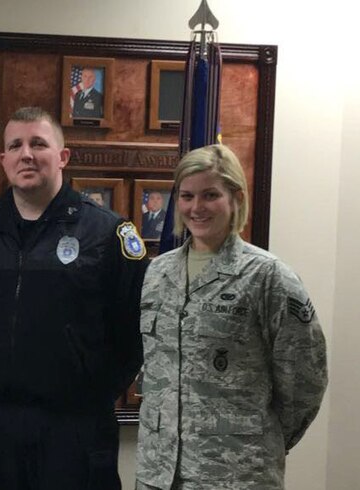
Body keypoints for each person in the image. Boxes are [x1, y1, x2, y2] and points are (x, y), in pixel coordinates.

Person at [0, 106, 147, 490]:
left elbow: (135, 327)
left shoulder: (107, 233)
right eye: (16, 145)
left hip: (75, 425)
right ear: (3, 160)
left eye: (38, 143)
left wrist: (94, 387)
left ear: (62, 157)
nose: (26, 153)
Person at [135, 144, 328, 490]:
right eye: (187, 196)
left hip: (236, 474)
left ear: (236, 197)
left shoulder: (268, 277)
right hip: (159, 473)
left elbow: (305, 381)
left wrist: (256, 440)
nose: (196, 207)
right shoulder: (158, 273)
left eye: (210, 195)